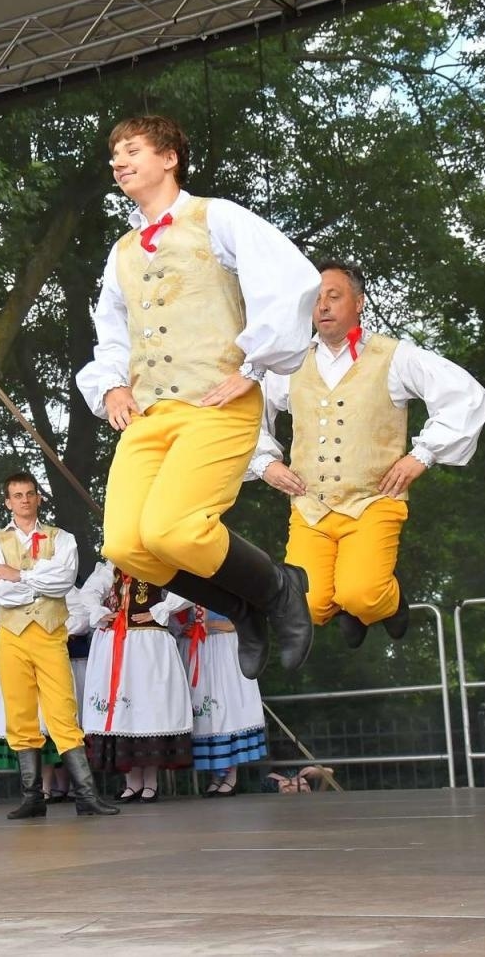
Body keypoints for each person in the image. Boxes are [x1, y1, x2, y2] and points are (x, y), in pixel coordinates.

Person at [76, 113, 321, 680]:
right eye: (114, 154)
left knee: (174, 529)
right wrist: (112, 385)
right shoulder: (122, 251)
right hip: (149, 413)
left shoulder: (218, 217)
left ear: (169, 158)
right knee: (127, 547)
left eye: (132, 150)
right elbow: (111, 330)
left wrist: (254, 365)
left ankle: (279, 588)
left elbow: (291, 280)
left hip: (216, 403)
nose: (118, 161)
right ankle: (243, 607)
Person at [251, 260, 485, 648]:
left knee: (363, 592)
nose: (323, 306)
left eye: (334, 296)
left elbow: (464, 394)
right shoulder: (289, 362)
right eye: (315, 298)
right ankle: (350, 607)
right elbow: (246, 412)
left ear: (359, 303)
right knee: (305, 606)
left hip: (374, 500)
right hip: (310, 507)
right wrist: (265, 463)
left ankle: (381, 604)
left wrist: (421, 455)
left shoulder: (394, 356)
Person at [0, 471, 118, 819]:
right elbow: (0, 593)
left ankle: (86, 795)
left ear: (38, 498)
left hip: (50, 635)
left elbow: (64, 581)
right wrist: (40, 582)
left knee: (63, 711)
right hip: (13, 637)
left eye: (29, 494)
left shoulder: (61, 538)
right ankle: (33, 797)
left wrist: (20, 575)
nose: (24, 500)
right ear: (8, 502)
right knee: (20, 714)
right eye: (17, 495)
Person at [80, 572, 193, 803]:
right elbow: (88, 592)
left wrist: (161, 609)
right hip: (116, 643)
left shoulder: (155, 564)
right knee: (123, 714)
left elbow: (190, 587)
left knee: (148, 710)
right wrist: (99, 611)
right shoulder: (111, 568)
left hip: (148, 643)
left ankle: (151, 783)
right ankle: (132, 783)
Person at [178, 604, 268, 796]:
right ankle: (216, 776)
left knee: (226, 709)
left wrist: (218, 625)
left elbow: (250, 615)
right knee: (205, 715)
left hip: (224, 647)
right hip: (198, 646)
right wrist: (181, 627)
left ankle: (230, 775)